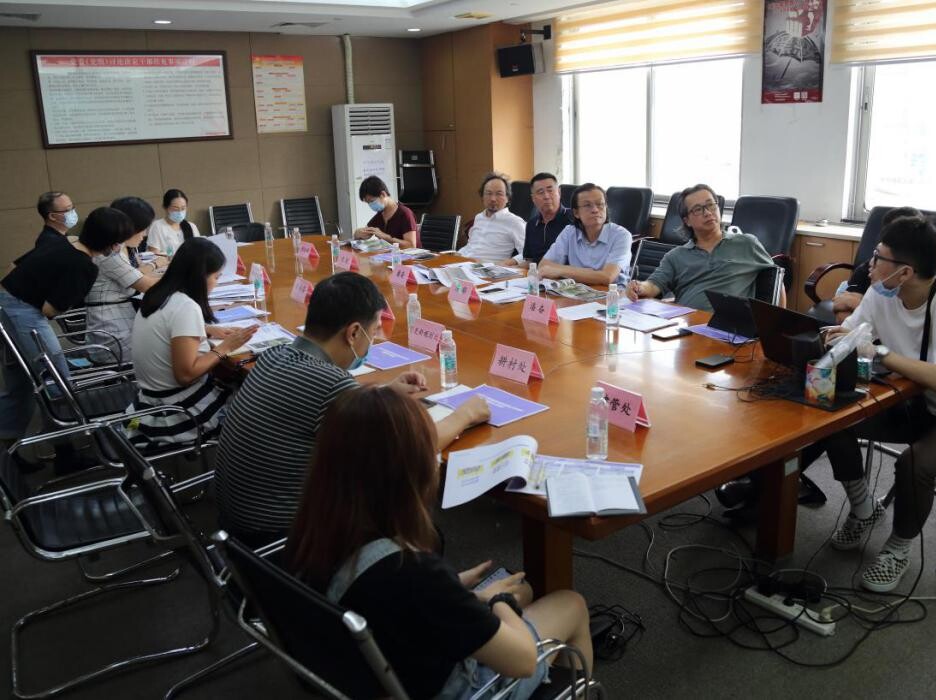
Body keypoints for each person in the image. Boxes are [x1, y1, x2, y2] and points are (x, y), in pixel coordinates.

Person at [287, 385, 593, 699]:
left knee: (524, 589)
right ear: (407, 474)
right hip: (453, 688)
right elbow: (523, 661)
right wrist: (497, 602)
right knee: (570, 604)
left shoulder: (312, 534)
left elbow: (389, 597)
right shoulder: (417, 574)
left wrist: (457, 588)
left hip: (380, 667)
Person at [215, 272, 490, 546]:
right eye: (373, 332)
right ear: (354, 332)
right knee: (423, 530)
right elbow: (412, 448)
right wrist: (465, 414)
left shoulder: (274, 355)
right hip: (285, 539)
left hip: (236, 526)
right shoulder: (331, 384)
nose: (373, 340)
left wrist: (383, 393)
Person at [801, 215, 936, 592]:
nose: (869, 264)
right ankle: (863, 509)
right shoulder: (881, 291)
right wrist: (831, 339)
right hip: (912, 402)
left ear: (905, 272)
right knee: (831, 420)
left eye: (878, 257)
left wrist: (879, 352)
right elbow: (851, 334)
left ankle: (898, 547)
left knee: (914, 464)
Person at [1, 207, 128, 440]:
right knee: (57, 380)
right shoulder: (84, 266)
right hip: (24, 313)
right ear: (110, 244)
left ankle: (9, 438)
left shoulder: (63, 242)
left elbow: (12, 267)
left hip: (5, 303)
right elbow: (50, 309)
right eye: (119, 242)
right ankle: (64, 444)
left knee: (21, 381)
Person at [128, 237, 257, 446]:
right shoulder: (186, 307)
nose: (216, 282)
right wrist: (225, 347)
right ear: (199, 277)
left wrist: (206, 329)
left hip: (148, 402)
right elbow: (185, 375)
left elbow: (166, 328)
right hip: (178, 412)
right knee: (257, 405)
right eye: (216, 277)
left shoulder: (158, 294)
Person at [626, 184, 780, 311]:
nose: (707, 213)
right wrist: (639, 287)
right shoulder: (676, 256)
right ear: (687, 221)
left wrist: (774, 328)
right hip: (686, 325)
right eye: (698, 209)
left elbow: (776, 283)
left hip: (731, 330)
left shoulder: (746, 244)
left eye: (711, 205)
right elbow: (654, 284)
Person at [84, 197, 162, 363]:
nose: (144, 235)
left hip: (121, 322)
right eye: (143, 229)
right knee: (173, 347)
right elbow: (146, 285)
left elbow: (140, 275)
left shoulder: (119, 248)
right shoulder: (110, 253)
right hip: (113, 336)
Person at [830, 206, 925, 323]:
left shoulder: (935, 288)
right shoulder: (872, 275)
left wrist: (859, 305)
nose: (872, 263)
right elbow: (844, 316)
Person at [538, 183, 633, 286]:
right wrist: (589, 274)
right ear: (576, 213)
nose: (595, 210)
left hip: (612, 293)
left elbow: (607, 277)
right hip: (577, 292)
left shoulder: (621, 235)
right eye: (588, 205)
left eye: (600, 204)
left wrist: (560, 270)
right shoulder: (570, 232)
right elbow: (543, 266)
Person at [506, 172, 573, 267]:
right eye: (541, 192)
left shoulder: (574, 219)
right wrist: (510, 270)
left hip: (567, 274)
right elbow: (530, 261)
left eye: (550, 190)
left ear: (559, 192)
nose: (546, 196)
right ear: (533, 198)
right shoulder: (531, 224)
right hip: (538, 274)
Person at [457, 172, 526, 263]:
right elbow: (471, 246)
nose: (493, 199)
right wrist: (457, 254)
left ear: (507, 198)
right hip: (463, 264)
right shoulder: (479, 217)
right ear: (482, 197)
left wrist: (509, 262)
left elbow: (529, 252)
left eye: (499, 194)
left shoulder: (515, 222)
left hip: (488, 269)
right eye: (488, 193)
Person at [352, 175, 418, 248]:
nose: (370, 205)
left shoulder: (405, 214)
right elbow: (366, 232)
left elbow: (411, 245)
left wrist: (386, 237)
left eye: (372, 201)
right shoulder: (380, 215)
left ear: (383, 194)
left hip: (412, 255)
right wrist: (357, 234)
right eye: (368, 203)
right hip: (391, 254)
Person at [146, 188, 199, 260]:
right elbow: (154, 255)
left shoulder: (191, 226)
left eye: (183, 208)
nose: (180, 212)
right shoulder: (157, 226)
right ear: (165, 208)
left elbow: (199, 251)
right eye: (175, 209)